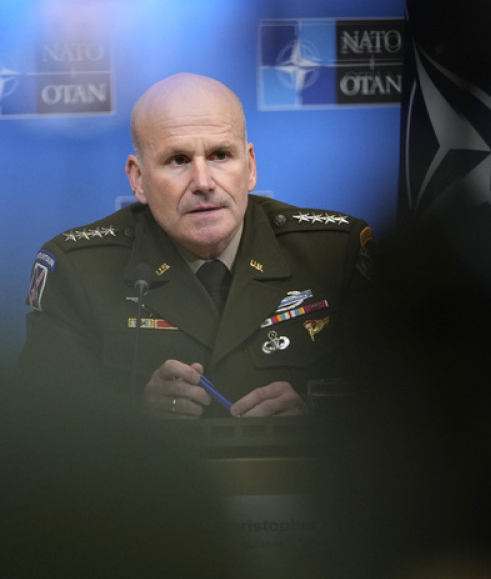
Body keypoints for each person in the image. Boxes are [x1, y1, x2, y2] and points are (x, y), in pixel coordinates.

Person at [19, 72, 376, 418]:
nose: (203, 182)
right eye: (178, 160)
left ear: (250, 167)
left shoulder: (333, 254)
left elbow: (392, 404)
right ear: (138, 178)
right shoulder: (79, 270)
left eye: (221, 155)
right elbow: (41, 419)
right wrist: (135, 415)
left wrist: (315, 417)